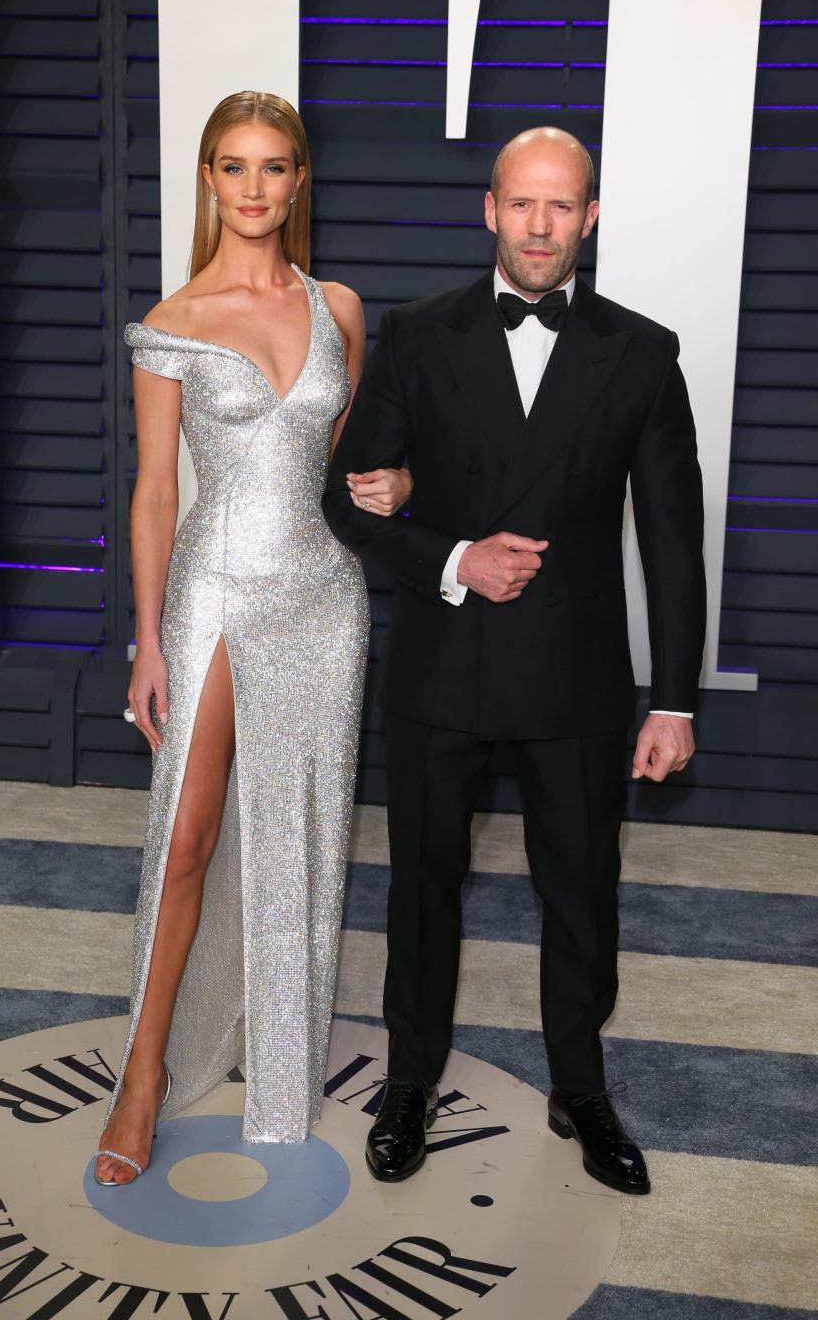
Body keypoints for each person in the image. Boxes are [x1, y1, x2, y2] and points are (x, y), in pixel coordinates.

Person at [322, 127, 705, 1196]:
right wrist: (451, 556)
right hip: (442, 667)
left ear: (591, 217)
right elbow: (341, 503)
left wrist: (672, 701)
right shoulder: (417, 335)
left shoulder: (642, 352)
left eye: (563, 206)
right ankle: (408, 1084)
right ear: (489, 211)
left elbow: (675, 542)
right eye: (522, 204)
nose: (541, 226)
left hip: (576, 682)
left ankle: (581, 1088)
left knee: (583, 895)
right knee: (422, 893)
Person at [94, 91, 413, 1186]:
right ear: (209, 180)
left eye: (275, 167)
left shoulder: (339, 308)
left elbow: (355, 456)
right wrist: (147, 641)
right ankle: (142, 1078)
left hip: (324, 597)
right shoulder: (172, 321)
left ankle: (280, 1080)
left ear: (299, 180)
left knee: (301, 839)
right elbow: (150, 494)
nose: (255, 188)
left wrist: (398, 480)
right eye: (235, 167)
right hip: (216, 592)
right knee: (185, 840)